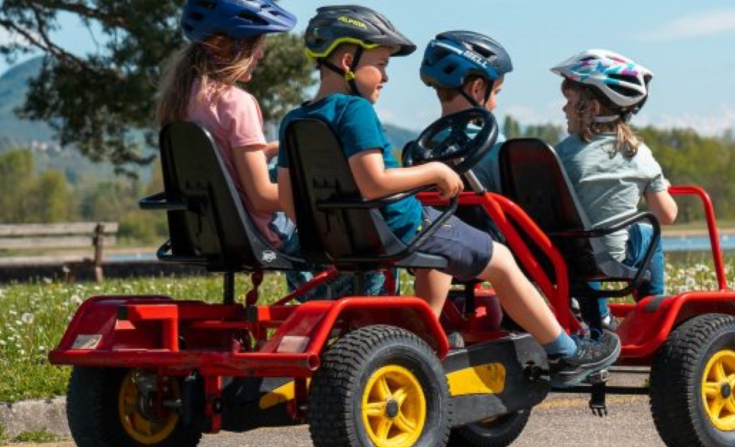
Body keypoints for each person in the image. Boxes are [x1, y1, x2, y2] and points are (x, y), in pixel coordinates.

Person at [275, 6, 620, 387]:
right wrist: (436, 172)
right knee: (501, 259)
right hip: (403, 226)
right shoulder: (355, 110)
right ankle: (565, 352)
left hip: (345, 238)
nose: (386, 76)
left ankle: (422, 344)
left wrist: (334, 230)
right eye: (381, 64)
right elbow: (374, 182)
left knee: (440, 255)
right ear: (347, 60)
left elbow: (291, 200)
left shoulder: (296, 119)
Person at [156, 0, 379, 299]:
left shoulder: (180, 101)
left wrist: (274, 150)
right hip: (258, 234)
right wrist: (334, 194)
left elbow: (221, 167)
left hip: (210, 231)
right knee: (369, 242)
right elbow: (261, 198)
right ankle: (367, 324)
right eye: (256, 43)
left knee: (286, 176)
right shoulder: (236, 103)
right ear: (225, 45)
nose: (260, 53)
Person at [550, 49, 679, 330]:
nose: (563, 110)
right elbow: (666, 215)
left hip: (559, 257)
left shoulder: (559, 155)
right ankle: (652, 310)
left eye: (569, 102)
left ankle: (599, 322)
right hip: (610, 257)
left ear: (593, 109)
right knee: (647, 232)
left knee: (583, 242)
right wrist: (658, 187)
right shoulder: (638, 155)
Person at [418, 30, 512, 194]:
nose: (495, 104)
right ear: (476, 88)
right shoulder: (496, 146)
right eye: (496, 92)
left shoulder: (420, 148)